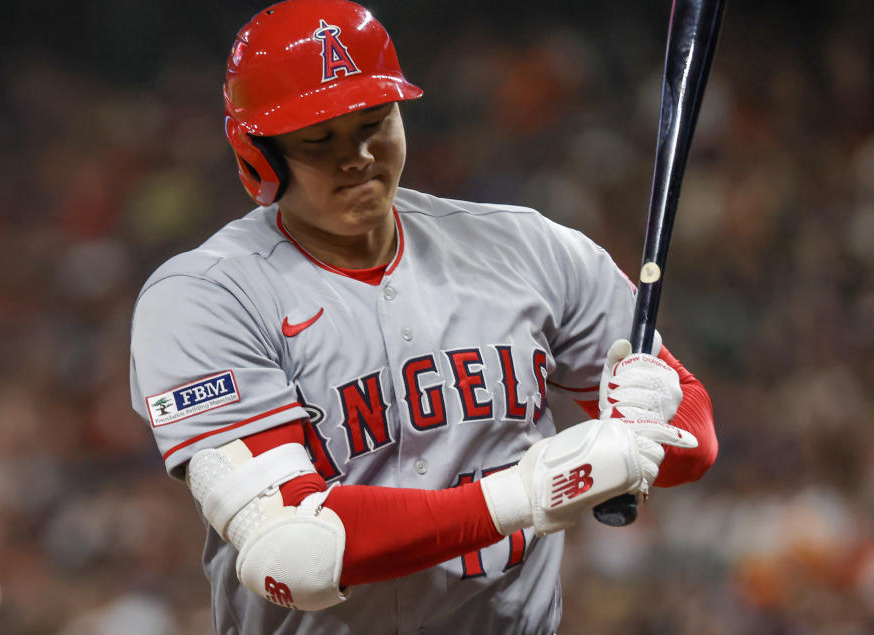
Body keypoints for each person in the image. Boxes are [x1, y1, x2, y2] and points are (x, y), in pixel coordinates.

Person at [129, 1, 718, 633]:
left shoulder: (531, 249)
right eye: (319, 140)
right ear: (259, 156)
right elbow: (293, 552)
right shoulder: (205, 296)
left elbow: (695, 440)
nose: (357, 156)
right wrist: (531, 492)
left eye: (374, 123)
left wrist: (646, 420)